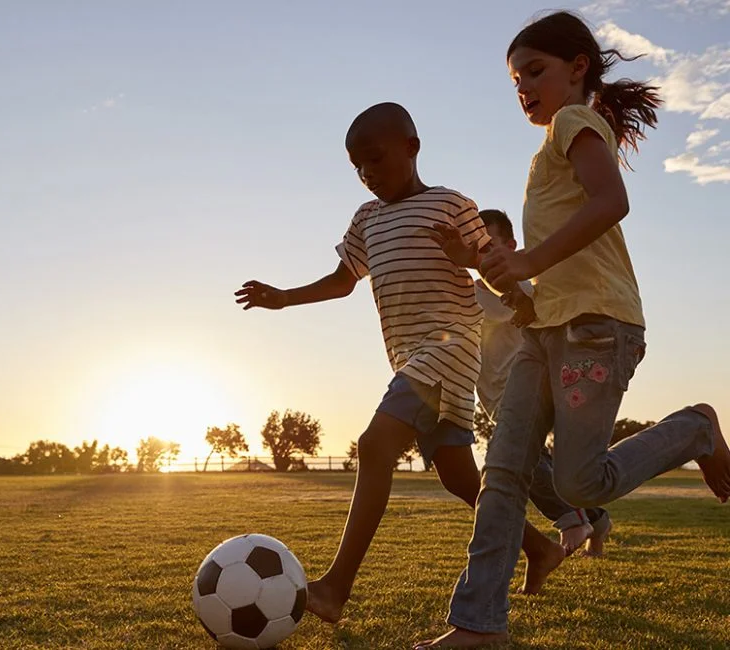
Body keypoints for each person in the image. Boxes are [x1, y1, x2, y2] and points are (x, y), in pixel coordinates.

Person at [416, 11, 730, 649]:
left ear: (578, 68)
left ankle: (696, 427)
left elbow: (612, 202)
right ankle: (478, 625)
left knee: (577, 483)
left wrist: (527, 258)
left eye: (535, 70)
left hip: (598, 327)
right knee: (503, 471)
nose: (524, 87)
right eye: (515, 80)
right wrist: (478, 261)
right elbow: (534, 283)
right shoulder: (550, 146)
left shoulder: (574, 122)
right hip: (545, 330)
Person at [235, 102, 567, 626]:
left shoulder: (452, 205)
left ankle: (335, 588)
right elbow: (344, 280)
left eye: (376, 157)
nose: (367, 173)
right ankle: (539, 548)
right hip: (410, 357)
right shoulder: (366, 220)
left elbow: (492, 265)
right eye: (357, 166)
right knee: (461, 479)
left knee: (374, 445)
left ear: (412, 148)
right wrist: (283, 297)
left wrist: (521, 302)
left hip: (450, 348)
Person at [476, 208, 612, 557]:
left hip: (526, 387)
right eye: (477, 248)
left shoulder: (522, 285)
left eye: (491, 245)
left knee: (516, 460)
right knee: (543, 464)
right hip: (492, 395)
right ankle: (597, 520)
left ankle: (571, 519)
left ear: (511, 245)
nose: (484, 255)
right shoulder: (471, 291)